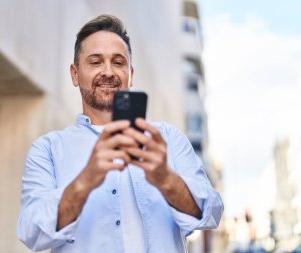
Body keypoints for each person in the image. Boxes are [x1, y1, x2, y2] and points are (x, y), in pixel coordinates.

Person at [17, 14, 223, 253]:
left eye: (118, 62)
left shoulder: (169, 139)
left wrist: (166, 178)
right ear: (75, 74)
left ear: (130, 74)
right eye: (95, 62)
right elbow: (31, 231)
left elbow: (212, 212)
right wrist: (86, 179)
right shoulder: (48, 149)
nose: (108, 71)